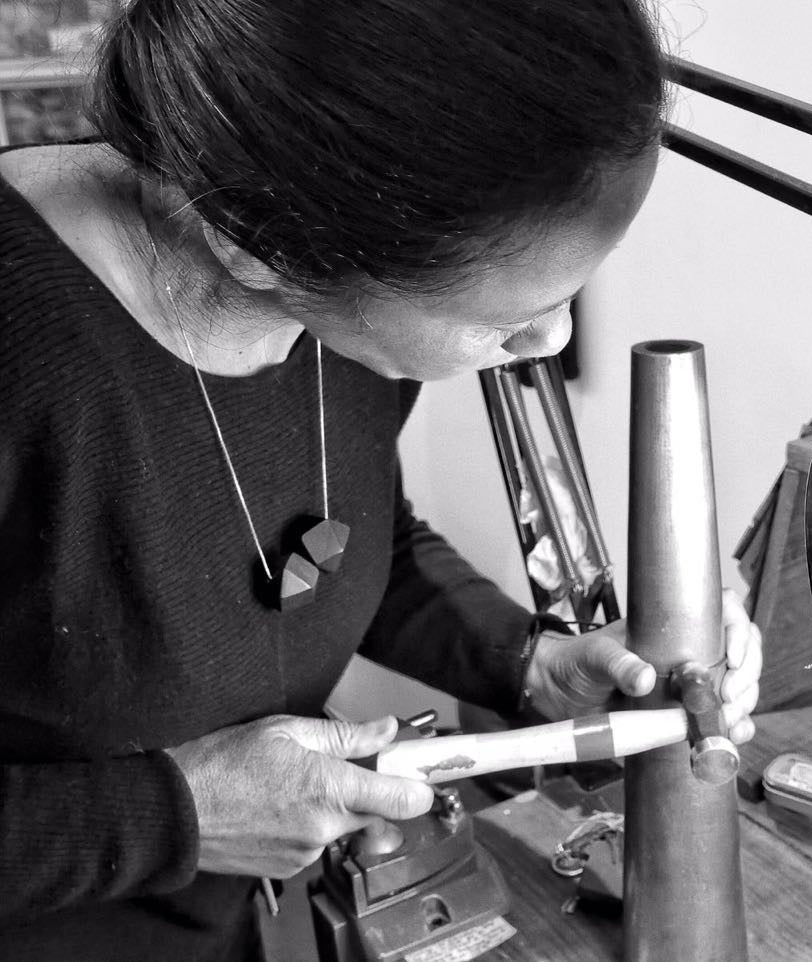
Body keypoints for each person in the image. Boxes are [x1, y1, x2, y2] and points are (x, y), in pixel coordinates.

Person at [0, 1, 763, 959]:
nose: (551, 340)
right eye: (506, 318)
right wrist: (175, 815)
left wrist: (526, 663)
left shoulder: (333, 300)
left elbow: (352, 537)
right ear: (255, 239)